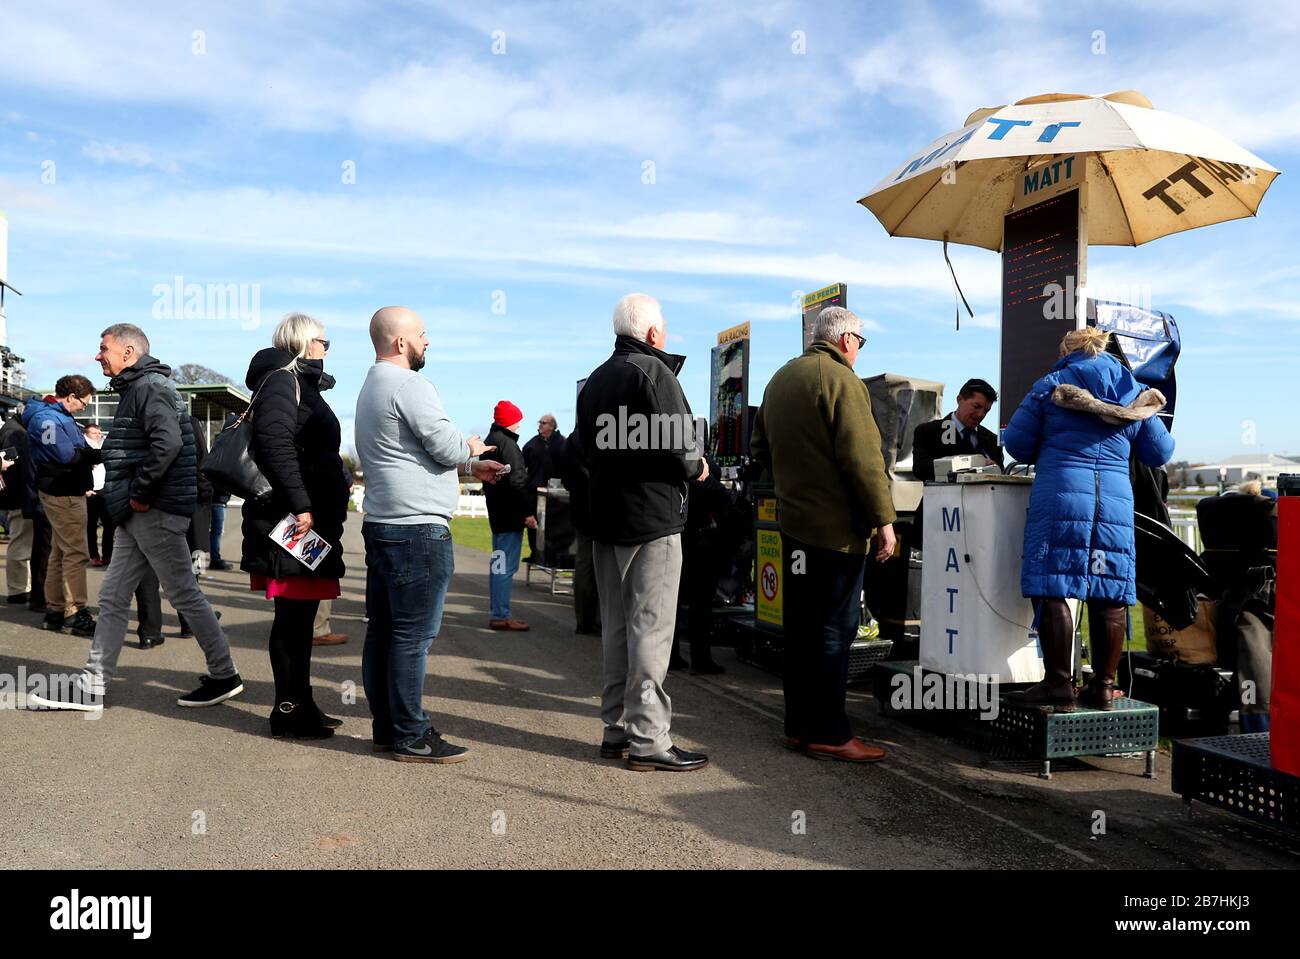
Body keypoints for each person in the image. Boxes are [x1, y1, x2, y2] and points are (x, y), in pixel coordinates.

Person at [29, 324, 243, 712]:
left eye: (103, 348)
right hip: (140, 511)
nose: (98, 356)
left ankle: (224, 673)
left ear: (128, 352)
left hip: (152, 510)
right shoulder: (142, 386)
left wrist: (141, 492)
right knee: (114, 596)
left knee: (182, 594)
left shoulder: (149, 388)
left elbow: (169, 443)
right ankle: (93, 685)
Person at [355, 305, 505, 762]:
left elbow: (412, 451)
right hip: (417, 529)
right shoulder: (410, 384)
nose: (427, 342)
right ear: (401, 342)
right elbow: (442, 444)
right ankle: (410, 733)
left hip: (383, 523)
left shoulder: (371, 385)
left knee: (383, 632)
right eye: (423, 335)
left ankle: (389, 728)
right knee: (412, 637)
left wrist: (467, 465)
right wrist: (472, 448)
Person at [750, 306, 896, 763]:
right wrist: (884, 521)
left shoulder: (781, 379)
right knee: (834, 631)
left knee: (801, 629)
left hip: (793, 526)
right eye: (861, 342)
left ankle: (800, 727)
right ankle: (832, 734)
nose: (859, 351)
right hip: (836, 533)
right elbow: (863, 460)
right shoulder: (843, 381)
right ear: (847, 339)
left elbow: (759, 450)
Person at [1002, 327, 1174, 712]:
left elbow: (1016, 443)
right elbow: (1161, 451)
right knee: (1109, 588)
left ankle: (1059, 684)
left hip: (1061, 495)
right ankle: (1102, 687)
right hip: (1113, 503)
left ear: (1067, 350)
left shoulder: (1051, 384)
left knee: (1051, 583)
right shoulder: (1133, 389)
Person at [576, 293, 711, 772]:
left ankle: (616, 732)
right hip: (651, 519)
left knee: (616, 630)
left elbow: (583, 451)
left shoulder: (594, 379)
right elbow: (683, 448)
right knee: (651, 630)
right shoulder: (655, 373)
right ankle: (650, 740)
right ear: (653, 332)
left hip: (606, 519)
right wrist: (696, 467)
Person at [239, 313, 349, 738]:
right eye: (322, 341)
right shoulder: (284, 381)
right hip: (291, 520)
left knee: (301, 619)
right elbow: (275, 443)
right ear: (303, 343)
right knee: (291, 617)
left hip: (303, 519)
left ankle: (301, 703)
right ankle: (287, 710)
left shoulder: (299, 383)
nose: (325, 348)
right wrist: (303, 504)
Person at [22, 374, 100, 636]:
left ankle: (56, 610)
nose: (84, 408)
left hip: (60, 490)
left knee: (59, 552)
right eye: (84, 404)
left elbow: (66, 452)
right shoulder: (46, 420)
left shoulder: (50, 416)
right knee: (75, 553)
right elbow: (65, 455)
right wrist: (98, 454)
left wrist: (86, 454)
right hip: (63, 493)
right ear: (71, 397)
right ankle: (75, 611)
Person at [481, 400, 535, 631]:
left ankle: (498, 612)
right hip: (510, 516)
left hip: (497, 514)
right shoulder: (509, 445)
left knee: (498, 566)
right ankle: (501, 614)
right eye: (517, 422)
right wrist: (527, 513)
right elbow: (518, 482)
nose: (519, 426)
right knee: (504, 568)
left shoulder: (490, 442)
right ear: (509, 421)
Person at [911, 378, 1004, 482]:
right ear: (959, 399)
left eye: (986, 411)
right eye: (976, 406)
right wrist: (971, 466)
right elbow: (920, 469)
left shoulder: (993, 440)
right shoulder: (928, 432)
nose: (981, 414)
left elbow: (1001, 476)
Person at [559, 426, 601, 636]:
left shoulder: (570, 442)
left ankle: (585, 620)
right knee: (596, 567)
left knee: (584, 565)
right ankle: (593, 620)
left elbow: (566, 478)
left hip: (580, 508)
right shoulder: (594, 437)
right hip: (596, 508)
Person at [0, 412, 33, 603]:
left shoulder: (12, 429)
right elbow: (14, 465)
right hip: (19, 497)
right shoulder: (15, 432)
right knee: (20, 542)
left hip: (15, 496)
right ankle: (18, 589)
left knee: (20, 541)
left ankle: (20, 587)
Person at [522, 413, 565, 555]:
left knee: (555, 526)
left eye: (543, 422)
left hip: (555, 494)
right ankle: (535, 554)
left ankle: (553, 555)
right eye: (539, 422)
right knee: (533, 525)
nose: (540, 425)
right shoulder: (531, 444)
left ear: (552, 425)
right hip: (534, 492)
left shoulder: (562, 443)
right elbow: (523, 467)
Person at [208, 413, 238, 571]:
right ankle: (215, 558)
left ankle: (214, 557)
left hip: (215, 497)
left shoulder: (217, 445)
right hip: (218, 499)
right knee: (216, 530)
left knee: (213, 530)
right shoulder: (226, 448)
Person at [83, 424, 114, 567]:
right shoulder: (83, 446)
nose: (98, 435)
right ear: (86, 433)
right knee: (91, 526)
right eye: (94, 433)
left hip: (103, 489)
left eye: (100, 432)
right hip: (89, 491)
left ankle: (107, 555)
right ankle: (93, 555)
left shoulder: (103, 445)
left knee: (109, 525)